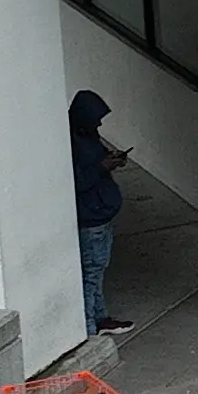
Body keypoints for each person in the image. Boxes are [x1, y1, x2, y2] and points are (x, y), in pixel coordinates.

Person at [73, 89, 132, 337]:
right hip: (91, 217)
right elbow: (77, 180)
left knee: (98, 269)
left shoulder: (88, 135)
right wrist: (102, 167)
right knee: (91, 272)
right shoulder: (70, 141)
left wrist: (111, 160)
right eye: (96, 118)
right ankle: (89, 327)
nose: (99, 123)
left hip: (102, 213)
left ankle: (100, 317)